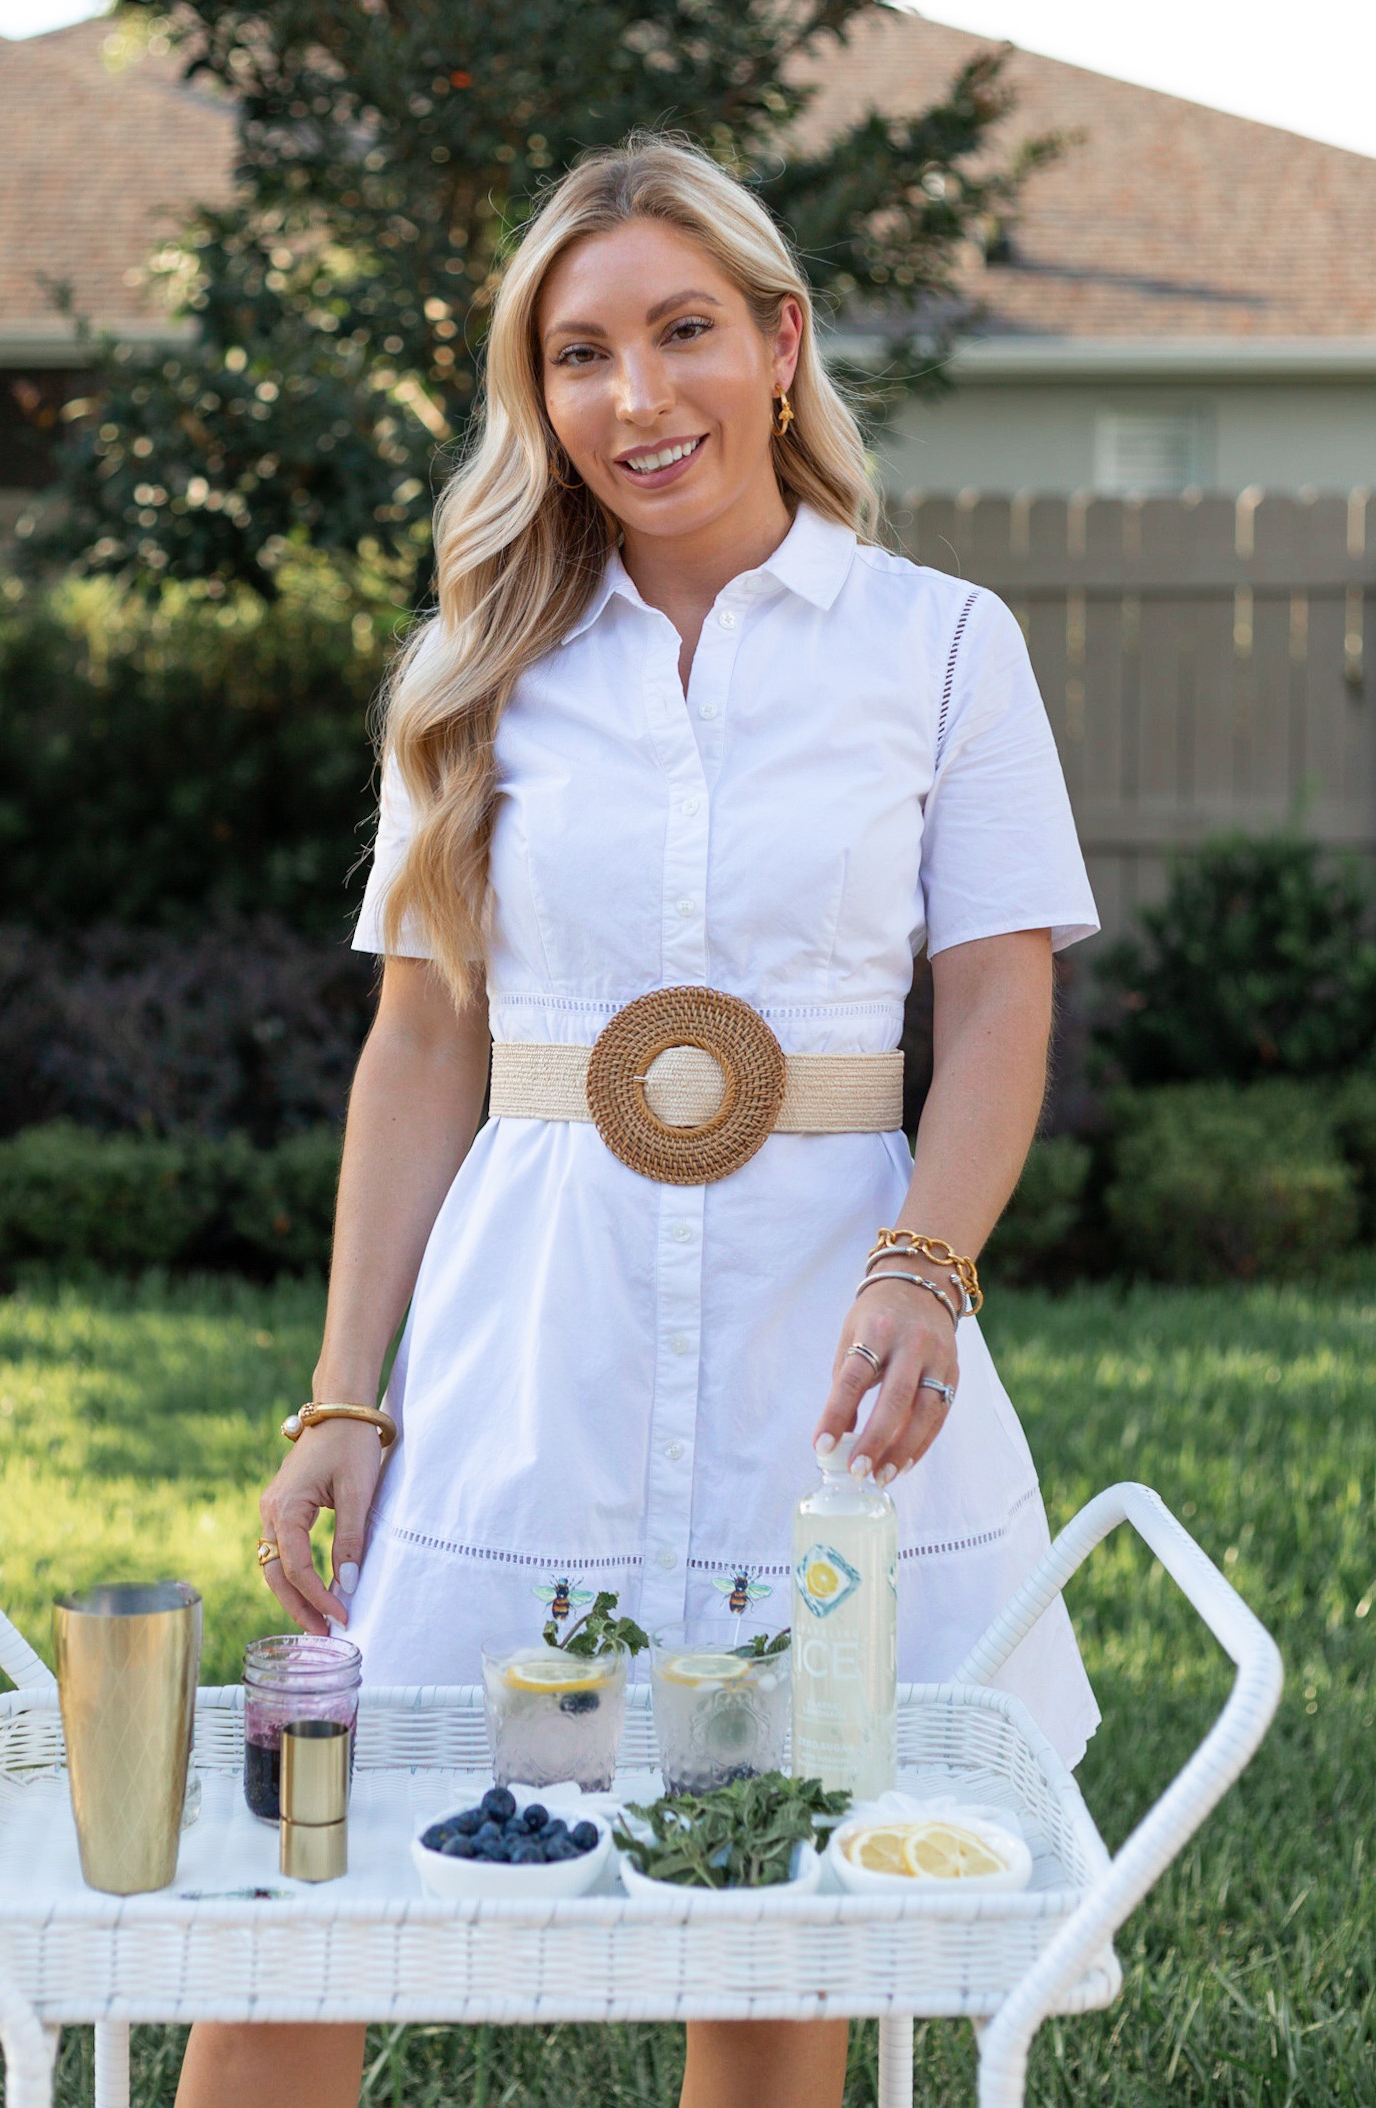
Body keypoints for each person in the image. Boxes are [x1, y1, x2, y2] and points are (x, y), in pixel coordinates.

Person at [177, 129, 1100, 2108]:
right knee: (314, 1898)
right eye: (577, 354)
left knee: (775, 1925)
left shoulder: (937, 645)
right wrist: (346, 1391)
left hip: (820, 1348)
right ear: (538, 394)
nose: (633, 394)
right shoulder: (481, 668)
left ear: (779, 342)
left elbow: (996, 990)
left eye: (681, 330)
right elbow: (425, 1042)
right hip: (530, 1349)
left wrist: (924, 1268)